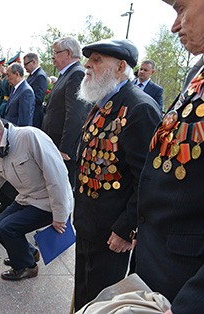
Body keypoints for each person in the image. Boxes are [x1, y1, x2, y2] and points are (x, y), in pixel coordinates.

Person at [73, 39, 162, 311]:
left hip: (112, 230)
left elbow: (146, 178)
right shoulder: (103, 101)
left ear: (121, 67)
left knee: (101, 299)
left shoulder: (139, 108)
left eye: (97, 59)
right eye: (89, 59)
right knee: (84, 290)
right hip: (88, 220)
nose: (88, 65)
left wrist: (126, 228)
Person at [134, 1, 204, 313]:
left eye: (181, 8)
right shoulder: (197, 71)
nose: (175, 25)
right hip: (162, 259)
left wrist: (191, 303)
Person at [0, 110, 73, 281]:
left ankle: (27, 267)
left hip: (48, 201)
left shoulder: (29, 137)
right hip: (27, 199)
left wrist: (60, 216)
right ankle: (28, 253)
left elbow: (57, 177)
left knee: (8, 228)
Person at [41, 37, 91, 188]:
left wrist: (65, 148)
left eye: (55, 52)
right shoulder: (66, 74)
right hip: (54, 143)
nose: (52, 56)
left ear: (68, 53)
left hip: (62, 149)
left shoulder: (77, 74)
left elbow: (76, 115)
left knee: (61, 193)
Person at [24, 53, 49, 129]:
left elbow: (38, 98)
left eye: (26, 64)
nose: (24, 67)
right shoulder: (33, 75)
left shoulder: (40, 76)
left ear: (34, 62)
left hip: (34, 116)